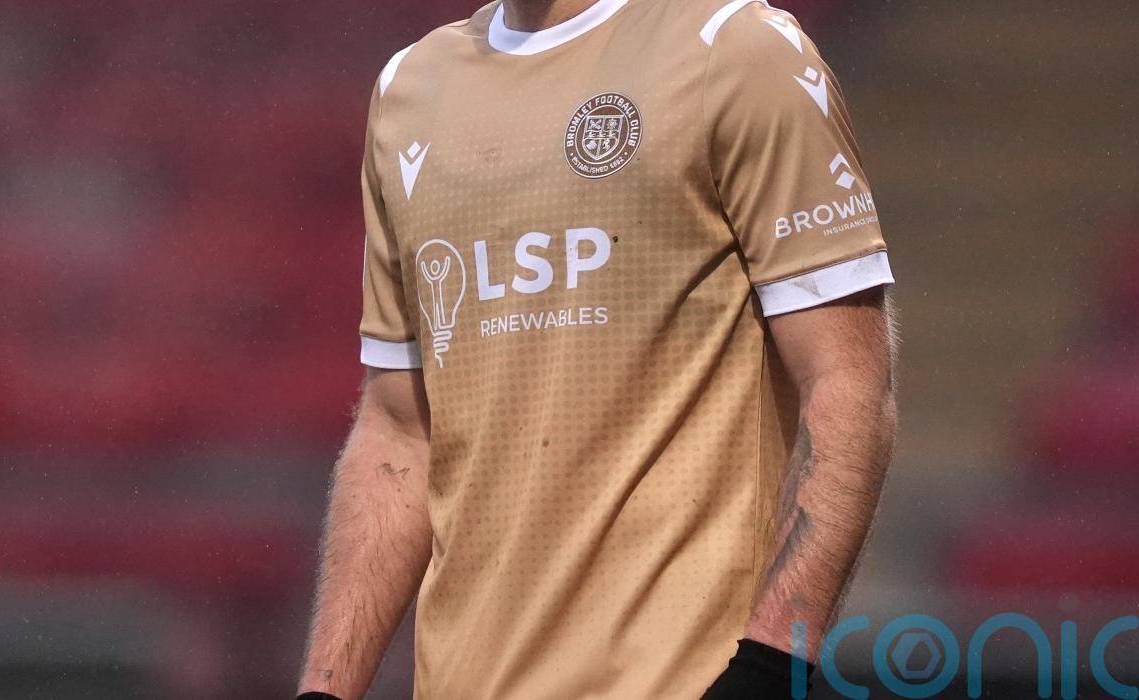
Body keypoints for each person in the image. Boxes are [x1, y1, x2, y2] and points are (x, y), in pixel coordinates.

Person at [298, 0, 898, 697]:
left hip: (676, 678)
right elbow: (400, 430)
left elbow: (849, 380)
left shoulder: (735, 50)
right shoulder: (411, 85)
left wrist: (771, 668)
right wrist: (326, 688)